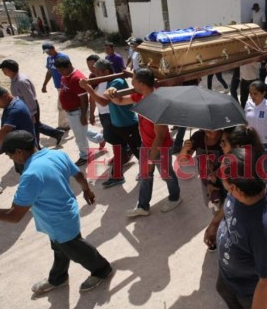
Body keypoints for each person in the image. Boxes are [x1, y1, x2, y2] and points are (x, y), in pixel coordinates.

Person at [0, 130, 112, 294]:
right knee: (60, 250)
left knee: (77, 249)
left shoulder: (31, 176)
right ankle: (58, 278)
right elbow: (78, 174)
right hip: (66, 214)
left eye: (9, 155)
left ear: (19, 151)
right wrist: (87, 191)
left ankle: (102, 269)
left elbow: (14, 216)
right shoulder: (56, 155)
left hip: (58, 223)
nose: (11, 158)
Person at [208, 147, 267, 308]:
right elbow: (229, 203)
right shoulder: (247, 184)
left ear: (236, 189)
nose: (217, 175)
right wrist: (215, 224)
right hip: (228, 276)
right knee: (224, 293)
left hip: (250, 289)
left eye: (222, 177)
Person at [106, 68, 181, 216]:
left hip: (161, 147)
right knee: (145, 176)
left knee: (167, 174)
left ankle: (175, 197)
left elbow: (159, 137)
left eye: (133, 80)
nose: (131, 82)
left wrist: (151, 160)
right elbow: (120, 100)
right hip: (146, 145)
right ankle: (143, 206)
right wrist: (111, 91)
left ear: (141, 84)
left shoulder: (157, 104)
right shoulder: (139, 96)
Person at [79, 59, 140, 186]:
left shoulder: (116, 81)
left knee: (139, 152)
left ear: (106, 71)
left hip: (128, 124)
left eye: (98, 72)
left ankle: (148, 172)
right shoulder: (107, 81)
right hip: (117, 123)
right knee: (118, 148)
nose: (95, 75)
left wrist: (88, 88)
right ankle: (117, 176)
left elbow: (104, 101)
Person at [0, 59, 64, 147]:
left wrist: (32, 113)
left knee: (33, 129)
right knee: (35, 126)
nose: (3, 71)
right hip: (25, 107)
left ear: (8, 70)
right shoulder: (15, 78)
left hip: (29, 107)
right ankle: (56, 133)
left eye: (3, 69)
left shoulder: (21, 81)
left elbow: (30, 98)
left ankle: (36, 148)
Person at [54, 57, 90, 167]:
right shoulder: (66, 75)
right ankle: (99, 138)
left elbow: (84, 99)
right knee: (81, 131)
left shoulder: (77, 78)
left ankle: (85, 156)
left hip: (77, 112)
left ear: (69, 66)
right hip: (71, 112)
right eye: (58, 70)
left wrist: (83, 116)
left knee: (80, 137)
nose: (60, 73)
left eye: (61, 70)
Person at [178, 129, 224, 213]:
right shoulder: (198, 136)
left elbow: (231, 163)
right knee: (212, 206)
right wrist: (185, 148)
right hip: (205, 182)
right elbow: (182, 160)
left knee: (223, 210)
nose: (207, 129)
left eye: (211, 128)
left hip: (223, 184)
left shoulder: (225, 138)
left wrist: (216, 173)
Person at [245, 81, 267, 157]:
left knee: (265, 166)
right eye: (250, 94)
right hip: (252, 142)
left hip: (266, 143)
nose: (252, 96)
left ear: (263, 93)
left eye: (255, 94)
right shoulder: (248, 103)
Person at [41, 42, 70, 130]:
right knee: (67, 103)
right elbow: (49, 72)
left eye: (49, 51)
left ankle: (63, 125)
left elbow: (70, 70)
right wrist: (44, 84)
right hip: (58, 85)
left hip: (65, 85)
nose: (48, 53)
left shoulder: (63, 57)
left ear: (53, 48)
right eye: (46, 52)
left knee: (61, 106)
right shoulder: (49, 58)